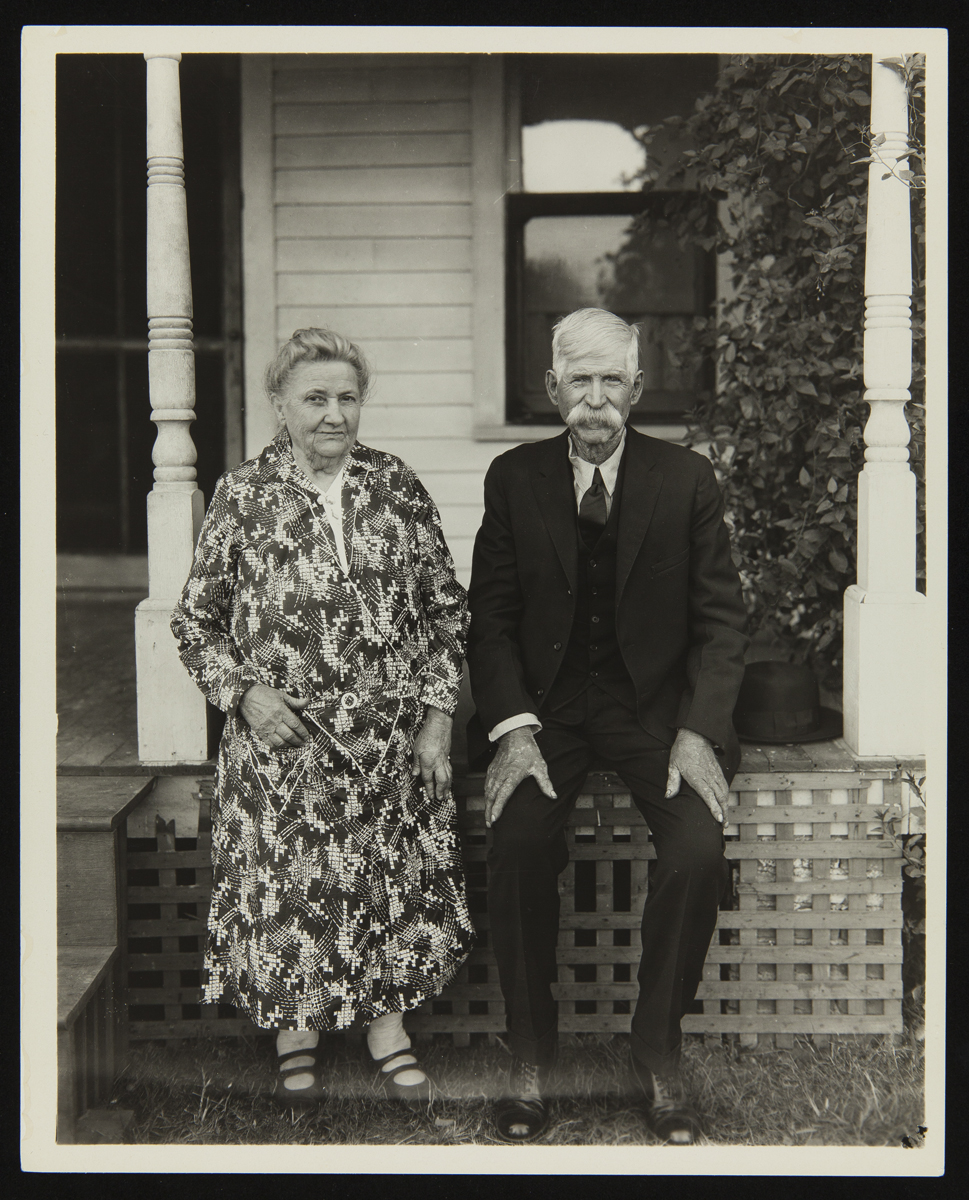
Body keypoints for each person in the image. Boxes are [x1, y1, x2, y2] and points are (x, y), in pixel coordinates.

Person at [172, 327, 475, 1109]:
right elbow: (194, 625)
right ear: (280, 403)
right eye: (315, 398)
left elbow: (447, 613)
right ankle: (294, 1033)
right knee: (294, 891)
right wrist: (244, 693)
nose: (333, 414)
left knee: (385, 886)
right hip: (285, 748)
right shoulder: (242, 495)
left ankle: (387, 1031)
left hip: (388, 746)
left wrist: (436, 719)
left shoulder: (396, 486)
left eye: (346, 397)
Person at [466, 308, 749, 1143]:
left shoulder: (685, 479)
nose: (595, 401)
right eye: (577, 382)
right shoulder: (514, 479)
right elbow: (491, 616)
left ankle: (657, 1048)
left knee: (697, 848)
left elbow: (721, 621)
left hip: (652, 714)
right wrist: (514, 729)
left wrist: (697, 732)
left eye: (610, 382)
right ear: (552, 390)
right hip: (546, 712)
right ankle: (532, 1054)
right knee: (515, 842)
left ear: (636, 388)